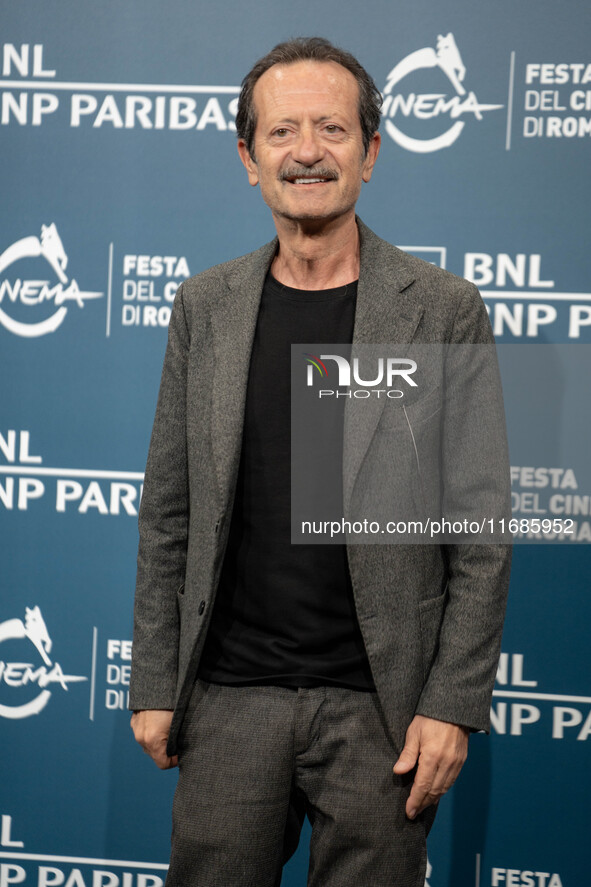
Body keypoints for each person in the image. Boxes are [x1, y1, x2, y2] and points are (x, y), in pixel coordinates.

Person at [130, 36, 512, 887]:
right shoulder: (206, 305)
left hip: (381, 711)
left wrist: (449, 704)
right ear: (247, 156)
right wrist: (154, 678)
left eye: (333, 130)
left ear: (370, 154)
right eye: (282, 132)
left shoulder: (443, 309)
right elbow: (168, 509)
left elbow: (480, 533)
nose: (307, 151)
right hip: (228, 700)